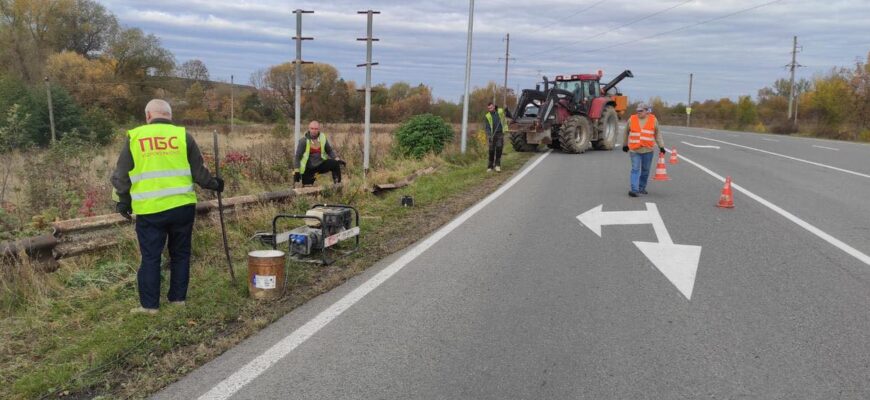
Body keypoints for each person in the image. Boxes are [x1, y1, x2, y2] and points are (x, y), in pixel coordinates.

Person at [111, 99, 224, 314]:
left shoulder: (135, 137)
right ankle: (177, 300)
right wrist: (215, 184)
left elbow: (121, 175)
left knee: (151, 257)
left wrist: (123, 200)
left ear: (148, 116)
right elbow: (199, 172)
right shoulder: (183, 136)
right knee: (180, 254)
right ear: (170, 115)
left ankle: (150, 306)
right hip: (182, 207)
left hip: (150, 209)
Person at [622, 103, 665, 197]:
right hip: (635, 150)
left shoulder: (653, 120)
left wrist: (661, 146)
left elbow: (657, 134)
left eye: (641, 111)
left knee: (645, 170)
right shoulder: (632, 119)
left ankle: (641, 188)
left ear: (647, 111)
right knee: (635, 169)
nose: (638, 112)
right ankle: (634, 190)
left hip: (648, 150)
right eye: (637, 111)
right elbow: (626, 132)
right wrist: (625, 145)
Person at [294, 120, 342, 185]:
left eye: (316, 129)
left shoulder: (323, 138)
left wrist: (337, 159)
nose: (314, 130)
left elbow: (329, 150)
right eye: (312, 128)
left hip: (321, 164)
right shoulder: (303, 141)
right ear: (309, 129)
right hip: (309, 168)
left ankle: (338, 185)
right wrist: (297, 170)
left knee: (335, 164)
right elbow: (297, 156)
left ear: (319, 129)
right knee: (307, 188)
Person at [484, 102, 510, 172]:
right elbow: (487, 127)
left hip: (500, 133)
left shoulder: (501, 111)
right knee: (491, 151)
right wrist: (489, 135)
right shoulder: (487, 116)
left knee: (499, 148)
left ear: (494, 106)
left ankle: (497, 165)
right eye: (489, 108)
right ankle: (490, 166)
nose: (490, 109)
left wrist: (506, 109)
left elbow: (509, 115)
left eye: (491, 108)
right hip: (492, 135)